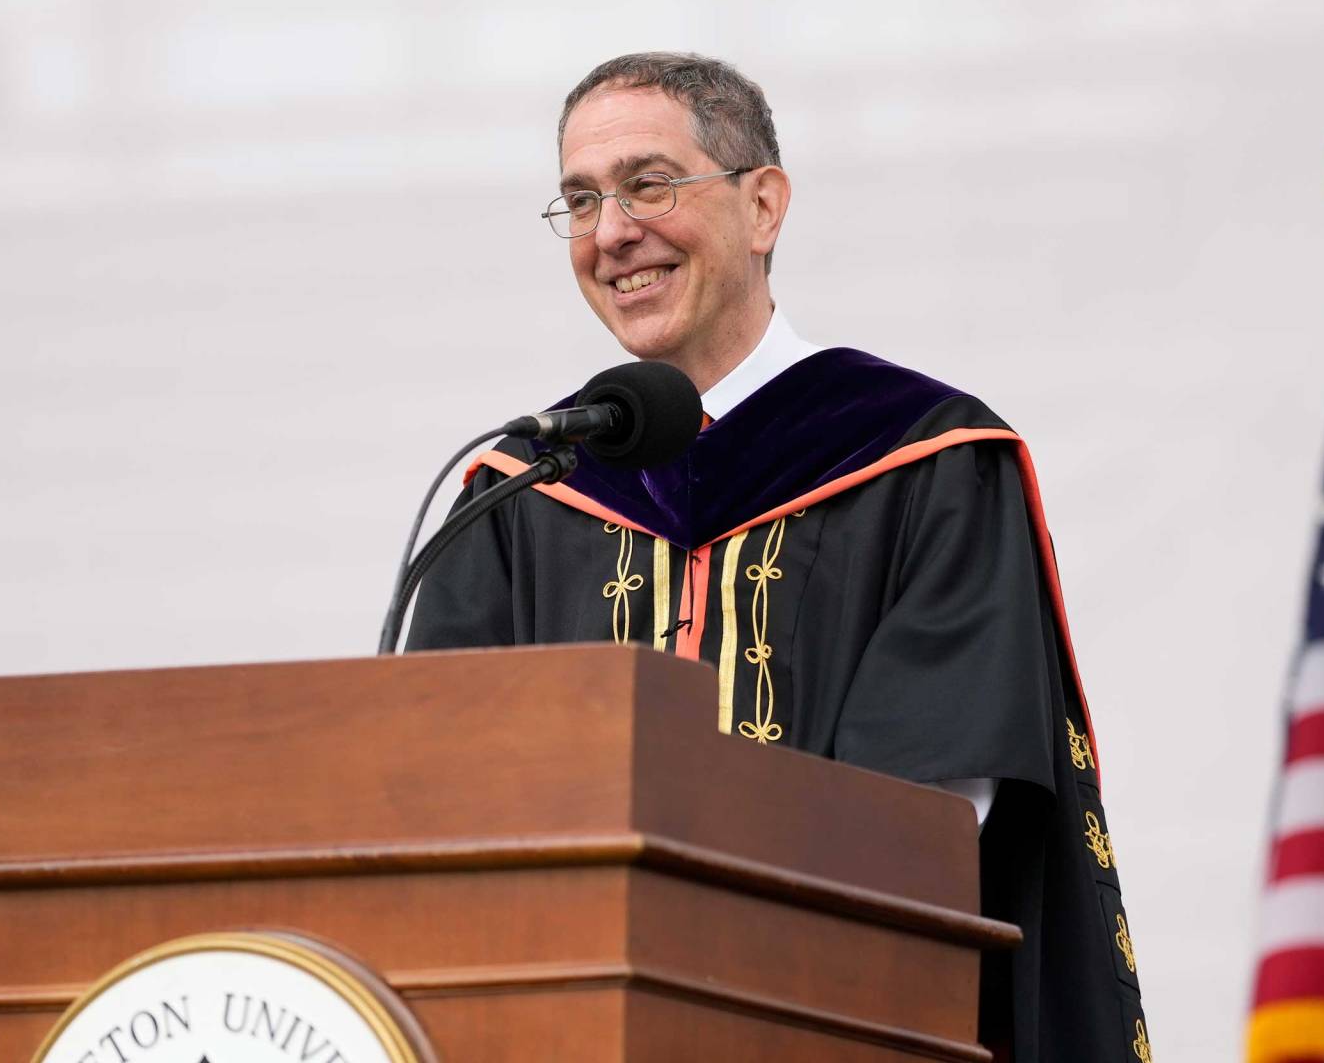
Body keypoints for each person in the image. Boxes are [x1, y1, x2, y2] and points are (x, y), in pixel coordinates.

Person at [408, 52, 1148, 1062]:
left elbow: (933, 812)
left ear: (763, 207)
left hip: (838, 1025)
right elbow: (440, 802)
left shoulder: (920, 461)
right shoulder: (522, 491)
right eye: (580, 200)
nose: (613, 231)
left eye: (648, 183)